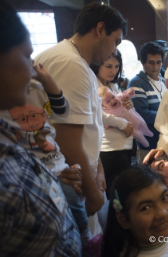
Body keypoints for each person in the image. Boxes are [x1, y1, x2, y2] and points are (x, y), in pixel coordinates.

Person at [35, 2, 127, 230]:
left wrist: (98, 169)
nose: (115, 50)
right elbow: (68, 141)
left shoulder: (69, 58)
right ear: (100, 29)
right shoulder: (71, 63)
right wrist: (94, 195)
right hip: (70, 178)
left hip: (77, 172)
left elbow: (87, 127)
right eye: (115, 40)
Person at [0, 1, 82, 255]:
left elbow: (63, 110)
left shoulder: (35, 91)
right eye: (26, 55)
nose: (32, 67)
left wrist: (48, 179)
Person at [90, 50, 134, 197]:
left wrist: (128, 104)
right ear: (97, 65)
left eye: (116, 66)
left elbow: (119, 107)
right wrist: (122, 124)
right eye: (109, 66)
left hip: (123, 144)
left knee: (124, 192)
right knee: (118, 195)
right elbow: (96, 113)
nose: (113, 71)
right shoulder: (91, 85)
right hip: (108, 148)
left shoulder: (113, 85)